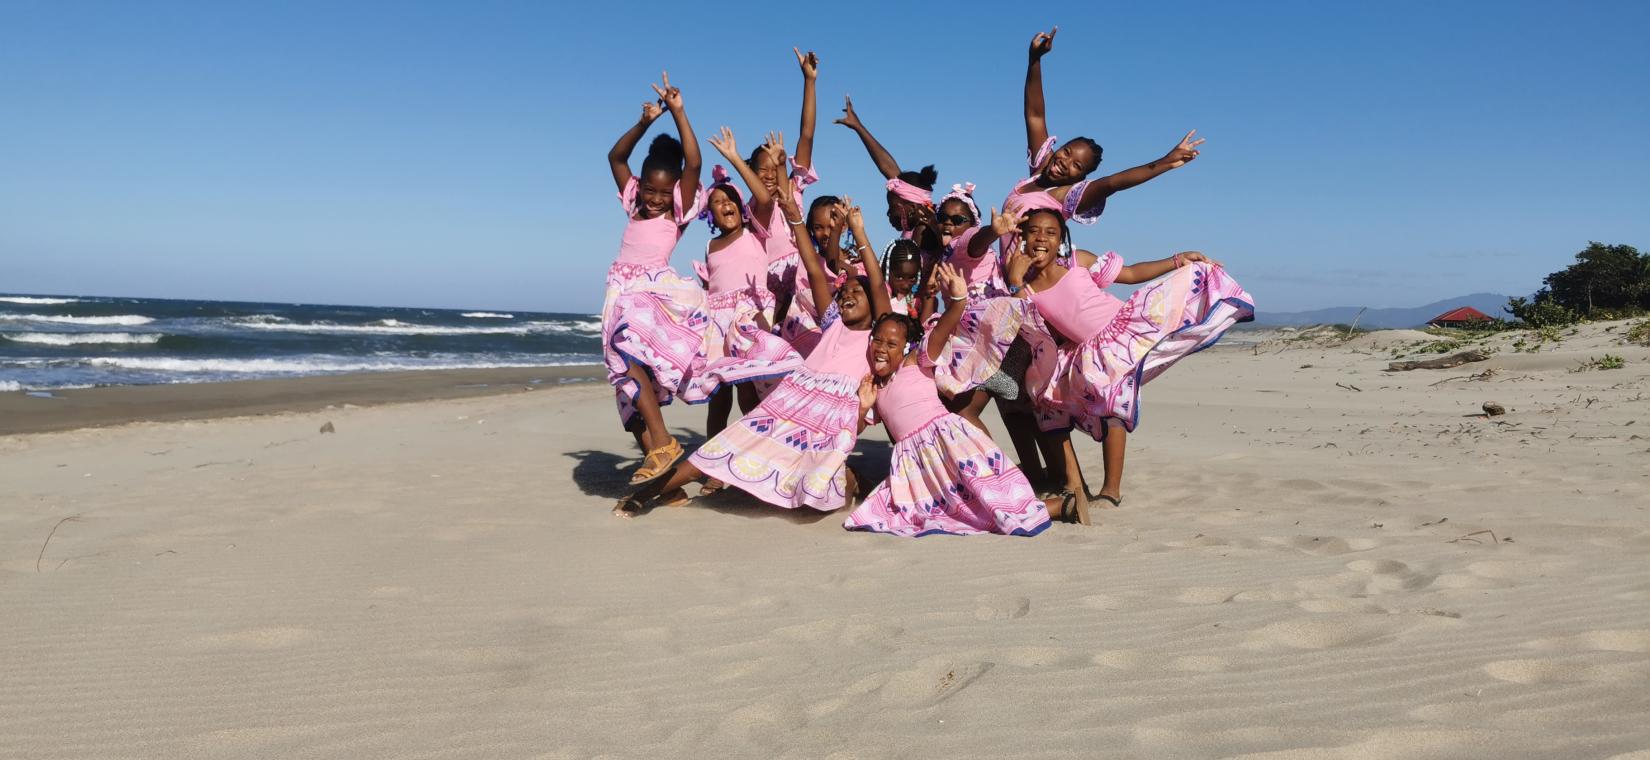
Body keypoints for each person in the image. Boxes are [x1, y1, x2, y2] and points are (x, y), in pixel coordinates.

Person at [615, 199, 893, 517]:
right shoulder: (832, 322)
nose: (846, 296)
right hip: (790, 400)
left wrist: (859, 233)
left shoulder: (876, 337)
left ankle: (853, 479)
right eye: (843, 294)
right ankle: (648, 495)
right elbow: (814, 268)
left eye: (856, 293)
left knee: (814, 490)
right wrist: (797, 221)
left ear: (874, 300)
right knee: (725, 447)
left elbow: (875, 279)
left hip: (831, 414)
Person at [1002, 208, 1255, 521]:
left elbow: (1132, 274)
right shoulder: (1022, 286)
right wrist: (1014, 281)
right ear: (1022, 237)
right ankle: (1074, 485)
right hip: (1085, 351)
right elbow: (1018, 322)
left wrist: (1178, 260)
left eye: (1051, 233)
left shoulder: (1077, 261)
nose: (1042, 238)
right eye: (1034, 231)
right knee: (1048, 406)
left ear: (1061, 240)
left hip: (1123, 333)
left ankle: (1111, 491)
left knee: (1112, 406)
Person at [844, 263, 1054, 535]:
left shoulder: (916, 362)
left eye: (891, 344)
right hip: (915, 461)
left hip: (949, 441)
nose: (881, 349)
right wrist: (862, 407)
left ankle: (1055, 507)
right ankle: (1054, 507)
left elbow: (945, 325)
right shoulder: (873, 386)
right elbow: (858, 428)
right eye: (877, 341)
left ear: (905, 348)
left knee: (986, 496)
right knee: (947, 508)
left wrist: (957, 299)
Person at [681, 129, 806, 486]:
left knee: (750, 392)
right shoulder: (711, 246)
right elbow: (711, 289)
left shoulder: (757, 232)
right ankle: (712, 463)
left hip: (750, 320)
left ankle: (757, 456)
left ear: (742, 205)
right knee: (718, 397)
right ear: (711, 216)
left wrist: (736, 158)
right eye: (717, 204)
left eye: (730, 199)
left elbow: (766, 198)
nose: (725, 206)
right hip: (718, 330)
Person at [600, 72, 706, 489]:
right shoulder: (633, 204)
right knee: (626, 385)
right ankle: (660, 474)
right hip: (618, 293)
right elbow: (615, 156)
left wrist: (679, 113)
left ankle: (664, 442)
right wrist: (645, 122)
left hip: (651, 293)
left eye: (664, 191)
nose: (655, 198)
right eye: (650, 189)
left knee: (627, 351)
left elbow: (694, 163)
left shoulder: (677, 210)